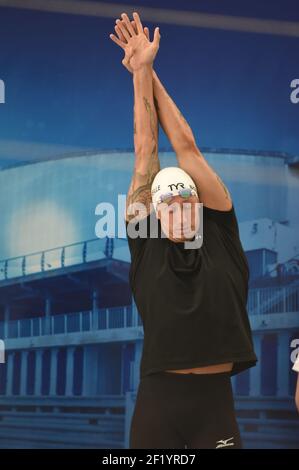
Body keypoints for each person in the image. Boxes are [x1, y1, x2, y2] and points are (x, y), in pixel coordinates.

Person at [110, 11, 257, 449]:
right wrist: (140, 74)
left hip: (214, 405)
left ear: (200, 202)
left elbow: (185, 145)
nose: (180, 206)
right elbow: (145, 148)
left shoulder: (221, 237)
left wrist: (150, 72)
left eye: (187, 197)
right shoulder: (146, 244)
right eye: (169, 202)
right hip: (159, 401)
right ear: (155, 211)